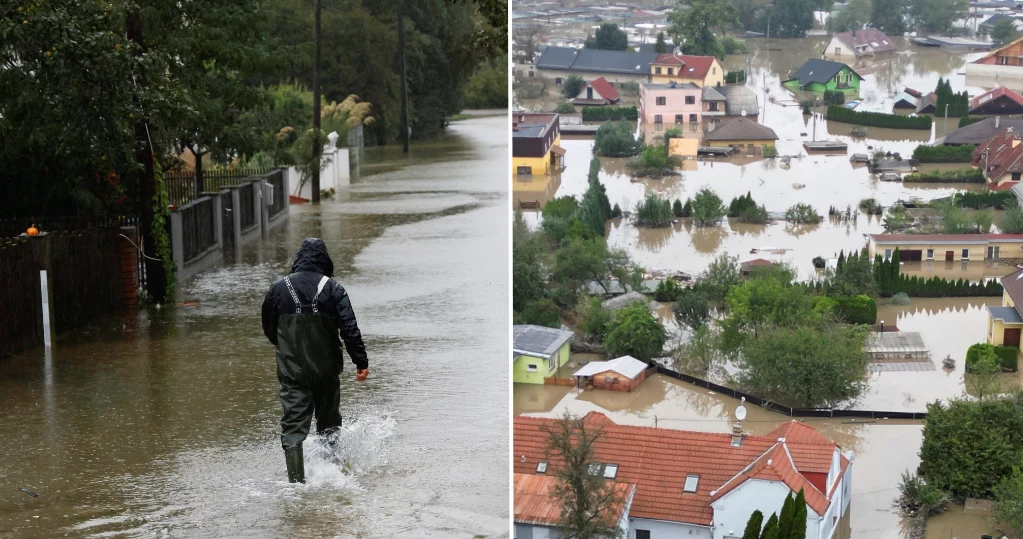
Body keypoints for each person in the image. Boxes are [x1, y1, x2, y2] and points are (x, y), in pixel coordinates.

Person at [261, 238, 369, 483]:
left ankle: (296, 486)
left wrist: (288, 349)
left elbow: (269, 328)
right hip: (327, 372)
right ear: (324, 260)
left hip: (292, 373)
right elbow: (349, 329)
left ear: (298, 259)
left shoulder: (278, 289)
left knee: (292, 430)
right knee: (329, 425)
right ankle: (331, 477)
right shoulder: (334, 289)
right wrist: (360, 362)